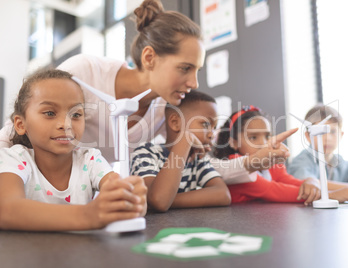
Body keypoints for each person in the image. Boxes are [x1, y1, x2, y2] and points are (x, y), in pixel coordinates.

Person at [0, 0, 294, 185]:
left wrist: (254, 161)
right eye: (185, 68)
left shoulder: (163, 110)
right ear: (150, 58)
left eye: (197, 71)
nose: (193, 82)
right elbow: (12, 133)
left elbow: (189, 165)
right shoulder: (83, 73)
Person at [0, 69, 147, 231]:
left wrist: (131, 198)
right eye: (50, 113)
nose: (66, 124)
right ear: (21, 124)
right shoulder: (13, 159)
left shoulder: (90, 159)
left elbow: (119, 194)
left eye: (76, 114)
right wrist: (88, 215)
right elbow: (6, 209)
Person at [213, 106, 348, 205]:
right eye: (253, 138)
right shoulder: (236, 165)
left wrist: (312, 181)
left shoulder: (271, 164)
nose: (263, 143)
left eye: (267, 136)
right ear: (233, 143)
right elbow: (272, 190)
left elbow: (286, 180)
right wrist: (331, 195)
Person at [130, 90, 231, 212]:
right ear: (175, 123)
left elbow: (223, 195)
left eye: (214, 127)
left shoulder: (196, 159)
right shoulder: (146, 153)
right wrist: (185, 140)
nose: (212, 134)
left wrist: (169, 200)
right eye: (205, 124)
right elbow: (159, 201)